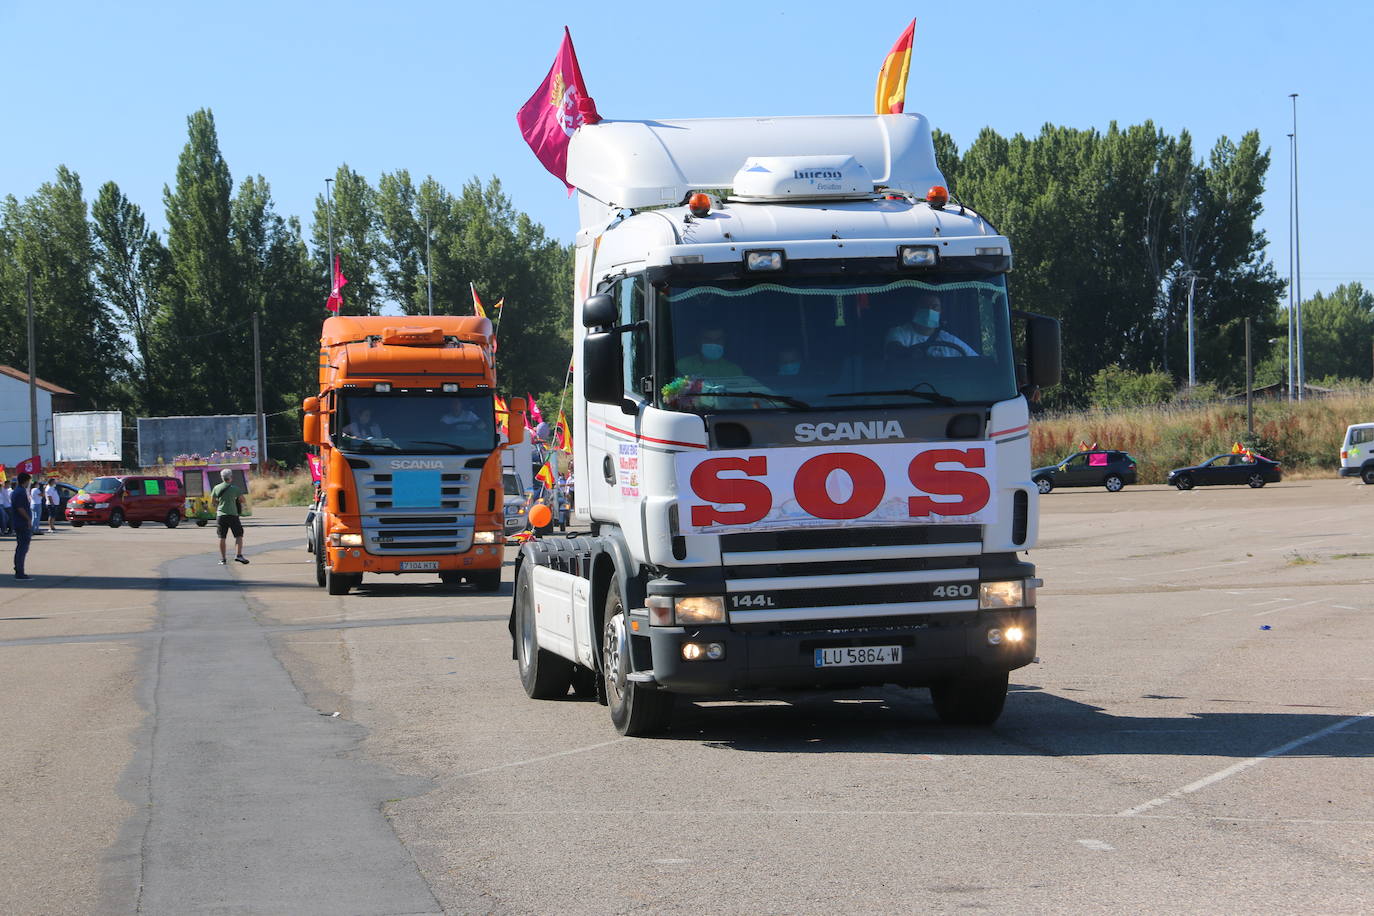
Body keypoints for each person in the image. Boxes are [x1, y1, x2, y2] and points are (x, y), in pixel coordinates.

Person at [884, 290, 976, 359]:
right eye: (924, 306)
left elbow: (975, 360)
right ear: (915, 309)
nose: (929, 311)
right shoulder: (899, 333)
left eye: (934, 307)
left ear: (941, 312)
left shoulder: (949, 340)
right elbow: (893, 349)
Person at [211, 468, 249, 565]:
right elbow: (243, 500)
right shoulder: (235, 488)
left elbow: (213, 502)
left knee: (222, 537)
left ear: (222, 477)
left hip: (221, 515)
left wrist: (218, 505)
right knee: (239, 535)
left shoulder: (216, 488)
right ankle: (238, 555)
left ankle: (223, 559)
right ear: (230, 477)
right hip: (233, 514)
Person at [676, 326, 744, 377]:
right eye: (707, 339)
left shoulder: (734, 371)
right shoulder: (682, 366)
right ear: (698, 341)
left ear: (725, 342)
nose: (713, 344)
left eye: (718, 340)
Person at [12, 473, 32, 580]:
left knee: (21, 547)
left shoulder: (18, 490)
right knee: (23, 547)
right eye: (29, 481)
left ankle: (18, 569)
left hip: (19, 522)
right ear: (25, 481)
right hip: (22, 523)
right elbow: (20, 508)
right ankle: (20, 572)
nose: (29, 483)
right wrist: (28, 519)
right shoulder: (20, 492)